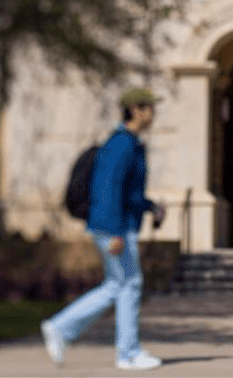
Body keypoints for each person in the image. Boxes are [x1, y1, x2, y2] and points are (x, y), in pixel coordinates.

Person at [41, 87, 167, 370]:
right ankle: (128, 353)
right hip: (114, 227)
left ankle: (61, 328)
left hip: (116, 224)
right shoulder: (121, 144)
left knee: (117, 285)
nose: (154, 114)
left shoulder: (129, 143)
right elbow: (108, 190)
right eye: (150, 108)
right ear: (136, 109)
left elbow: (128, 193)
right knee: (129, 285)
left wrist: (150, 207)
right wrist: (116, 233)